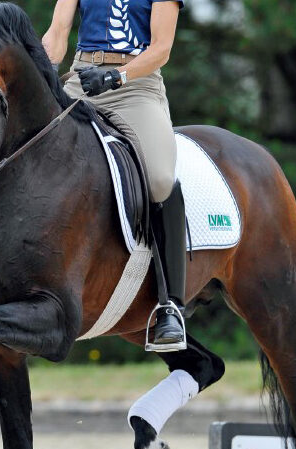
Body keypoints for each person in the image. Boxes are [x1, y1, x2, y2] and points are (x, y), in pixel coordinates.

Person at [43, 0, 187, 349]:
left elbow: (161, 48)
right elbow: (59, 30)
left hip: (135, 87)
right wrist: (43, 71)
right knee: (23, 146)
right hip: (81, 80)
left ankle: (170, 306)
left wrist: (117, 75)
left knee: (160, 179)